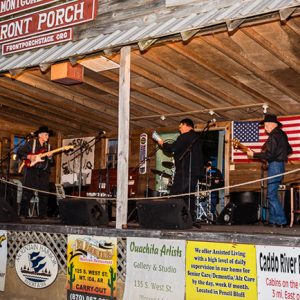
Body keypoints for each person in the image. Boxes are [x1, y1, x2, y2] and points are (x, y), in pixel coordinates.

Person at [247, 114, 292, 228]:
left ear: (273, 124)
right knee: (272, 194)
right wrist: (280, 155)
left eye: (266, 125)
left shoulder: (273, 135)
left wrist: (254, 154)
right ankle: (273, 221)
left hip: (275, 165)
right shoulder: (282, 134)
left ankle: (281, 220)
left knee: (271, 195)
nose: (265, 128)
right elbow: (289, 149)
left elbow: (270, 154)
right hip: (280, 165)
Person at [154, 118, 204, 217]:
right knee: (189, 195)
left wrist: (161, 143)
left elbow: (173, 148)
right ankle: (189, 218)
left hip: (184, 170)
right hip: (195, 172)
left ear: (186, 125)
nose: (179, 129)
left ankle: (175, 217)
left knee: (176, 193)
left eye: (180, 127)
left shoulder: (185, 136)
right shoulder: (197, 138)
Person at [17, 126, 54, 219]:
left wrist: (50, 157)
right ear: (40, 135)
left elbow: (53, 163)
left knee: (44, 194)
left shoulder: (49, 147)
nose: (47, 136)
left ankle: (43, 215)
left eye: (48, 135)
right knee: (27, 192)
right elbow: (20, 151)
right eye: (46, 134)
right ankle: (23, 214)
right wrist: (29, 157)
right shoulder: (31, 143)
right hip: (31, 171)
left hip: (44, 172)